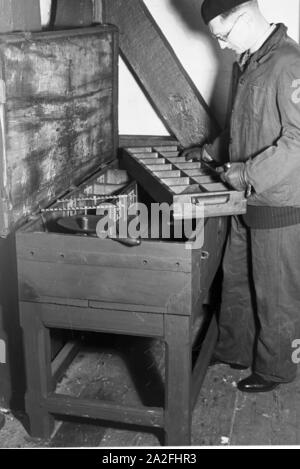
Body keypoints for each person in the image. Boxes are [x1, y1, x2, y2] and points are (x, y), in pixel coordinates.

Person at [183, 0, 300, 392]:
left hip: (279, 200)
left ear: (246, 19)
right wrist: (211, 151)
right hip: (244, 196)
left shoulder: (289, 64)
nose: (221, 45)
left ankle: (277, 368)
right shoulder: (249, 62)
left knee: (276, 291)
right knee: (235, 277)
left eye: (223, 35)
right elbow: (243, 125)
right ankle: (233, 348)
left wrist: (247, 174)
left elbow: (298, 142)